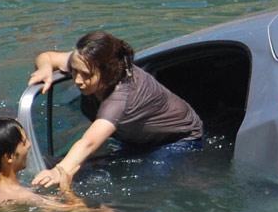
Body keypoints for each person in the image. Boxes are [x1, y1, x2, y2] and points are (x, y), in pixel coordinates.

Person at [27, 31, 203, 188]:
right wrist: (44, 68)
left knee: (140, 185)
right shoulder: (83, 59)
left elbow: (89, 142)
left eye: (86, 75)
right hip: (133, 137)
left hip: (177, 140)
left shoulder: (120, 97)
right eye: (74, 71)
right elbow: (47, 57)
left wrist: (59, 171)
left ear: (108, 71)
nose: (78, 80)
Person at [0, 118, 116, 212]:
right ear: (9, 157)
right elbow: (77, 209)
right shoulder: (23, 197)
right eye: (24, 142)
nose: (29, 145)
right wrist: (66, 188)